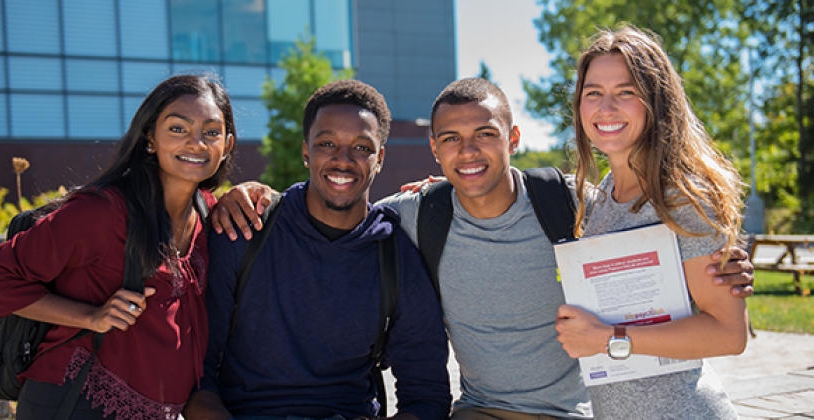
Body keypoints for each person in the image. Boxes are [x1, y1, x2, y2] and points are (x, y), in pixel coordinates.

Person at [213, 78, 754, 420]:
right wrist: (248, 195)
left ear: (513, 139)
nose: (467, 152)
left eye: (485, 135)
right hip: (481, 411)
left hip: (577, 410)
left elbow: (645, 224)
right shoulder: (415, 216)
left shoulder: (568, 204)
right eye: (451, 139)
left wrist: (718, 257)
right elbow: (335, 208)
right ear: (434, 148)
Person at [182, 80, 451, 420]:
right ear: (306, 151)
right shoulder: (245, 230)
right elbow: (194, 374)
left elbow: (427, 395)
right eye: (327, 143)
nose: (343, 160)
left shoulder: (397, 259)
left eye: (362, 147)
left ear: (380, 157)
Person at [0, 74, 237, 419]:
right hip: (73, 406)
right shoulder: (102, 213)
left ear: (227, 145)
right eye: (178, 129)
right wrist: (91, 316)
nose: (196, 143)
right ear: (150, 139)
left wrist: (252, 191)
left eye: (211, 132)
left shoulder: (209, 215)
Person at [553, 26, 747, 418]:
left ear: (656, 101)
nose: (606, 108)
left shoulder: (683, 198)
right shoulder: (606, 193)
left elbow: (729, 334)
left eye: (626, 92)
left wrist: (607, 339)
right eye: (593, 93)